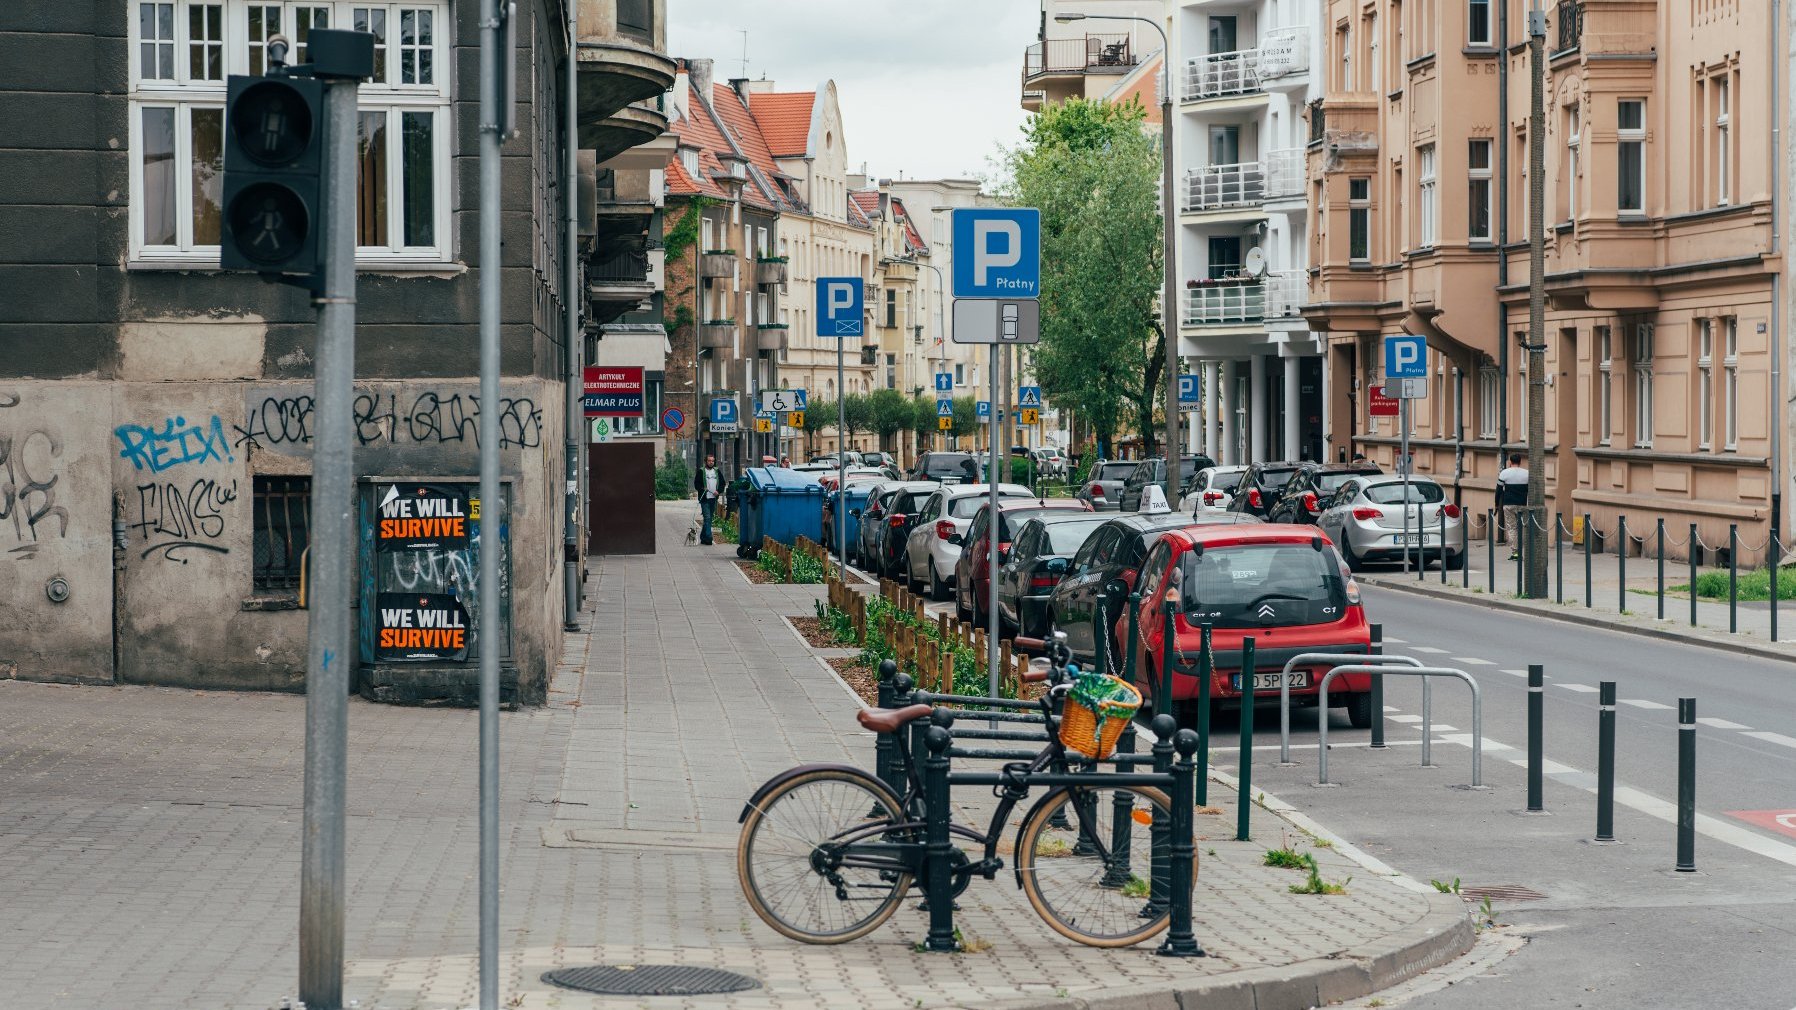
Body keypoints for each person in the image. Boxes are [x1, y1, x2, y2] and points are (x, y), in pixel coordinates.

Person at [1496, 453, 1529, 558]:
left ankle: (1515, 552)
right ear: (1520, 462)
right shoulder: (1527, 473)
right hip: (1523, 504)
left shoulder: (1504, 473)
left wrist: (1496, 504)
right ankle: (1526, 551)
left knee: (1512, 528)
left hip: (1508, 504)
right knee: (1523, 527)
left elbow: (1498, 490)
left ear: (1510, 461)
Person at [694, 454, 722, 546]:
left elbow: (722, 483)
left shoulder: (717, 471)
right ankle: (709, 538)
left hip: (713, 499)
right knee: (707, 518)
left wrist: (718, 491)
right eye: (709, 461)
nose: (711, 462)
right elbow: (696, 484)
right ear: (706, 462)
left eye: (712, 461)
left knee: (709, 519)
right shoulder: (701, 471)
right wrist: (703, 489)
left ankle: (703, 537)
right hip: (705, 499)